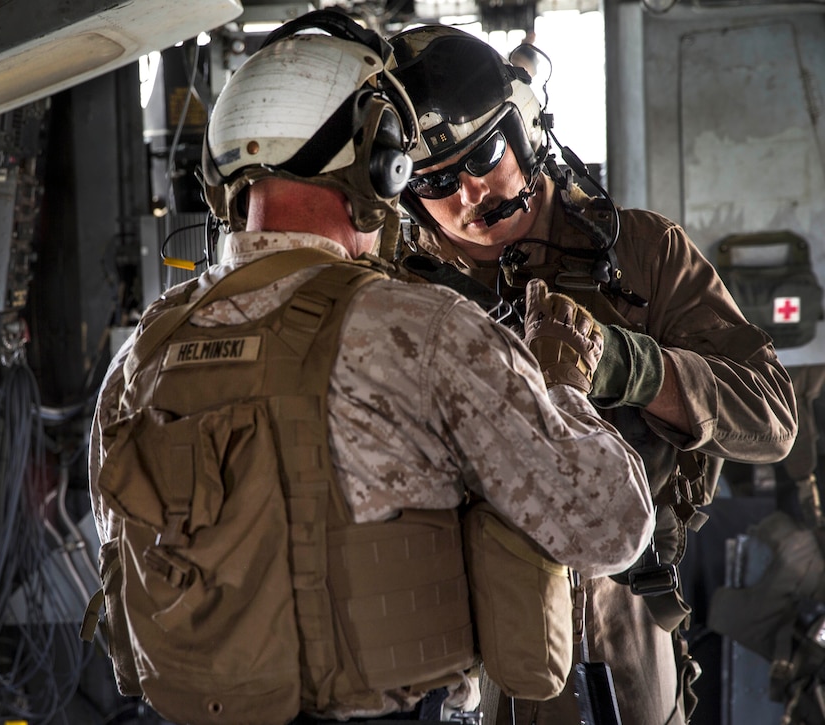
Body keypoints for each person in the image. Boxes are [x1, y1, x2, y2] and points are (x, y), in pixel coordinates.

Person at [87, 11, 654, 724]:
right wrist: (561, 381)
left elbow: (119, 567)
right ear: (381, 161)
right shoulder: (421, 329)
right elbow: (609, 524)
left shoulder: (144, 352)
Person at [387, 24, 799, 725]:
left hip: (623, 616)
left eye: (484, 154)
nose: (468, 192)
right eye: (434, 180)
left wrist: (630, 365)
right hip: (469, 640)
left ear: (523, 132)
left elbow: (771, 419)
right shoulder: (397, 295)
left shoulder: (641, 253)